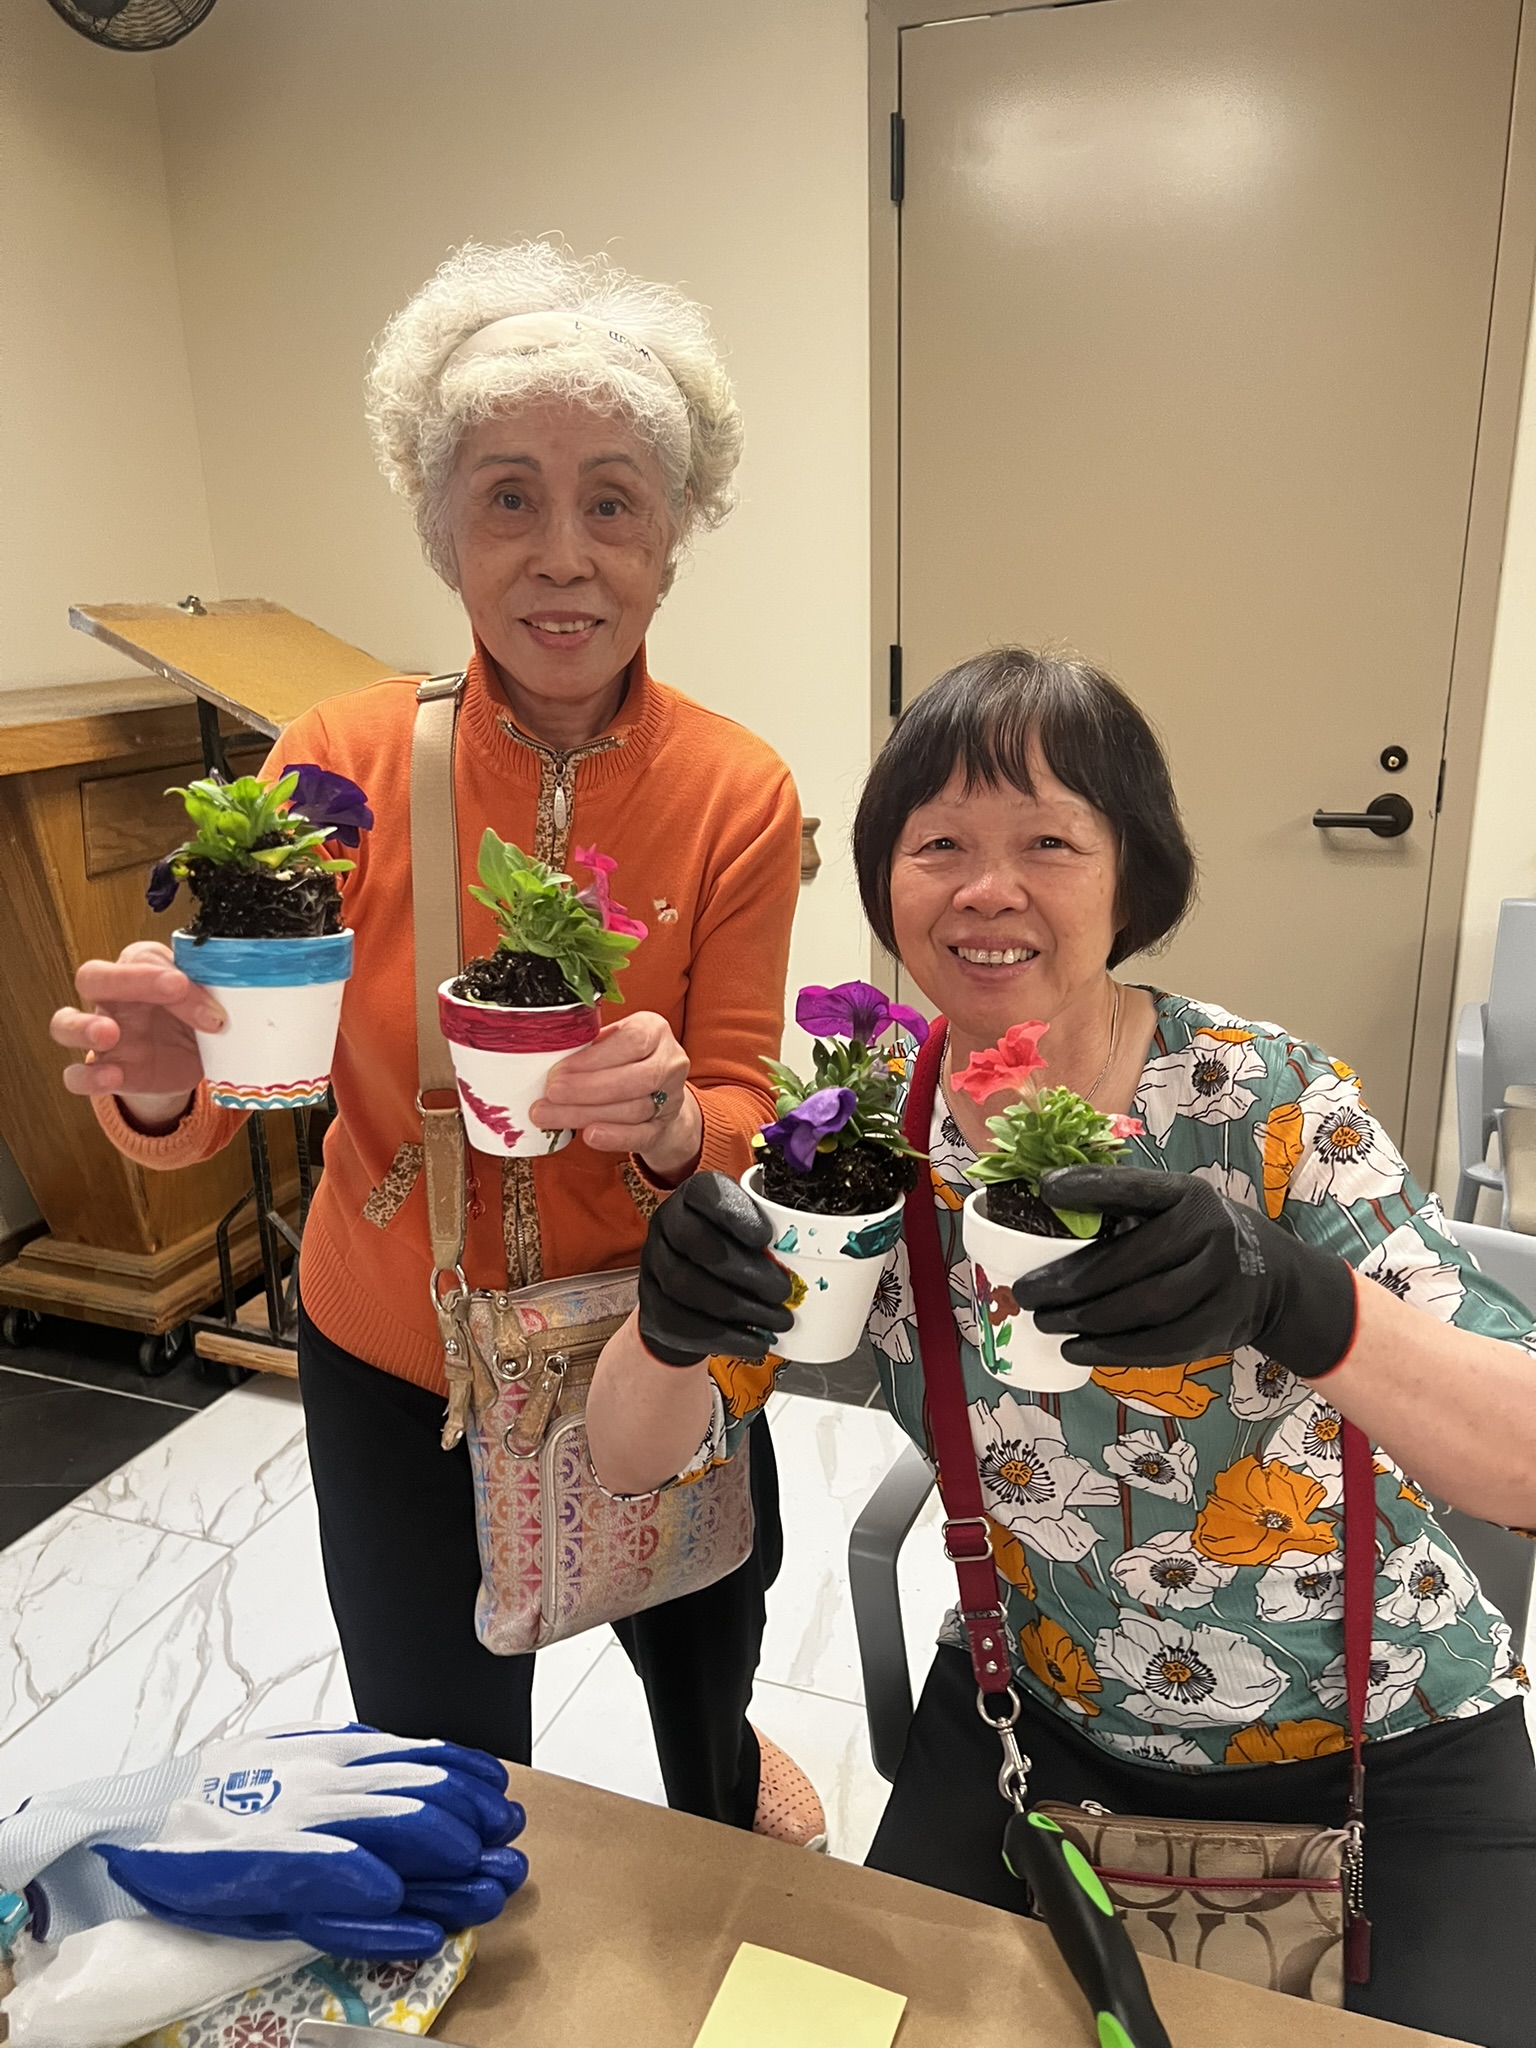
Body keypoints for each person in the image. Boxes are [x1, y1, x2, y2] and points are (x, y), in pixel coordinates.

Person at [589, 647, 1536, 2045]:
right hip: (1037, 1725)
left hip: (1386, 1743)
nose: (989, 889)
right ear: (886, 884)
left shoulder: (1267, 1105)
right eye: (940, 846)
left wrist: (1293, 1294)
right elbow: (628, 1458)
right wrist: (669, 1331)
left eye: (1049, 842)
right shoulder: (861, 1139)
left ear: (1130, 877)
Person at [49, 240, 823, 1846]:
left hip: (653, 1342)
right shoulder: (336, 759)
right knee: (433, 1751)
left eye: (613, 501)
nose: (563, 555)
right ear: (442, 528)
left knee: (705, 1678)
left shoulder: (737, 789)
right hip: (394, 1352)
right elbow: (243, 1073)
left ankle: (730, 1797)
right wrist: (171, 1086)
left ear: (673, 537)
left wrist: (675, 1127)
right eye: (507, 498)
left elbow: (743, 1099)